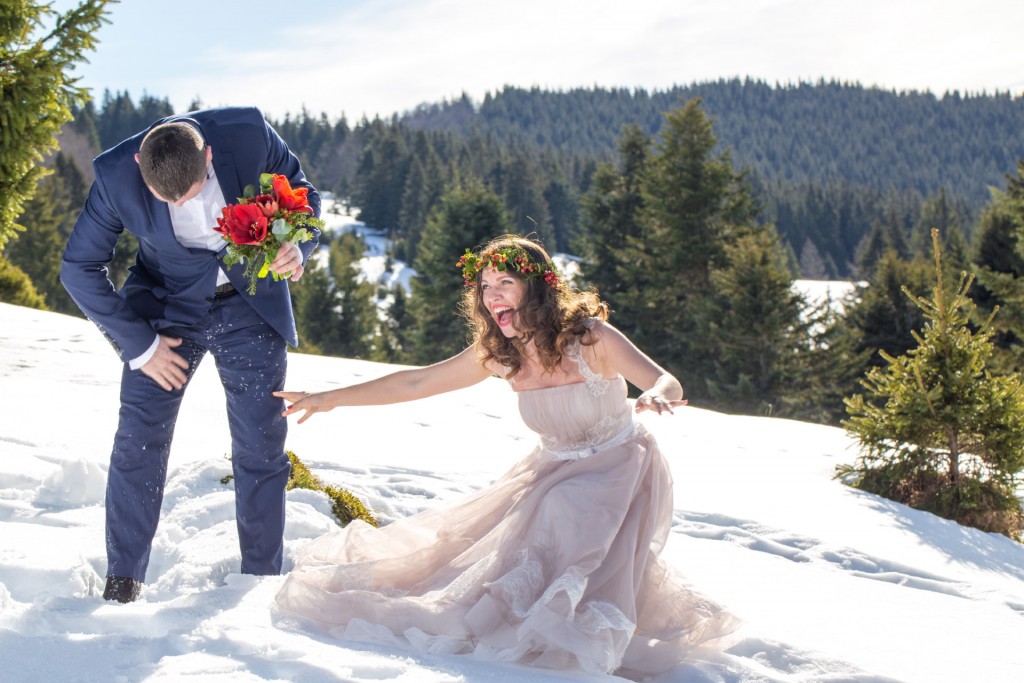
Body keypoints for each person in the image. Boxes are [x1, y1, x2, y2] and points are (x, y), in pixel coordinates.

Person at [272, 234, 735, 678]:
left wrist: (656, 394)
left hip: (618, 466)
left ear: (536, 288)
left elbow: (665, 379)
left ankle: (570, 627)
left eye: (505, 284)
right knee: (489, 561)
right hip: (552, 469)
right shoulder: (500, 352)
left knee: (565, 517)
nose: (493, 297)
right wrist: (328, 397)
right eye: (486, 287)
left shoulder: (590, 338)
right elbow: (416, 382)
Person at [60, 106, 321, 603]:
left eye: (194, 189)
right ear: (140, 162)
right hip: (163, 311)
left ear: (209, 154)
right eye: (166, 198)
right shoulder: (116, 174)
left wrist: (298, 248)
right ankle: (122, 583)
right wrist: (140, 346)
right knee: (139, 440)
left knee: (260, 446)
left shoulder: (246, 132)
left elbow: (304, 193)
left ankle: (260, 583)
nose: (183, 203)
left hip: (248, 305)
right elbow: (79, 268)